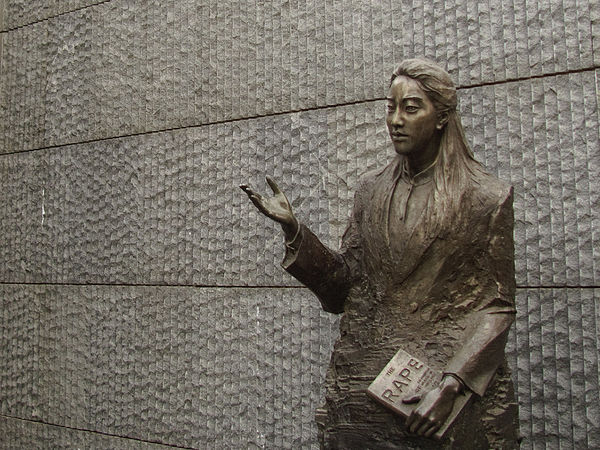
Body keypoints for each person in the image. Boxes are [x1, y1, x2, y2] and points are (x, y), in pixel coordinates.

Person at [241, 58, 519, 449]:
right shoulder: (369, 192)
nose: (396, 120)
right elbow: (344, 291)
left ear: (441, 117)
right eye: (390, 107)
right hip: (364, 393)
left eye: (411, 108)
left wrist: (453, 385)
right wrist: (295, 232)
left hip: (437, 401)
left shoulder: (485, 198)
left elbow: (497, 307)